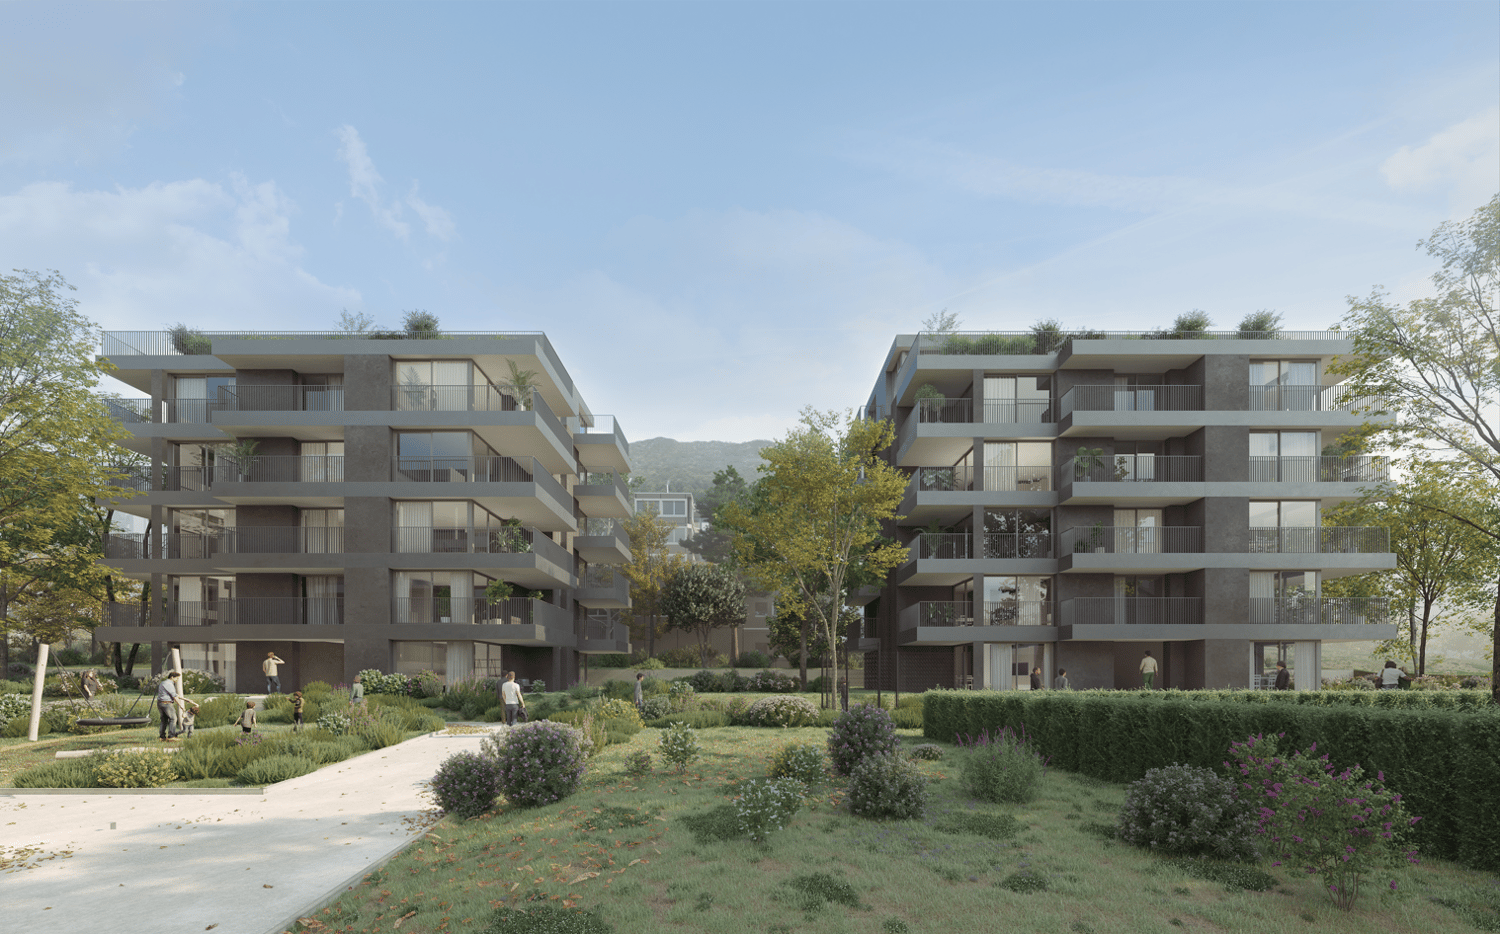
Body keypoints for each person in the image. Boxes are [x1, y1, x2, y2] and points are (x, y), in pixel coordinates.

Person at [156, 670, 184, 741]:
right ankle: (171, 736)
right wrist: (181, 706)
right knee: (173, 719)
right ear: (172, 677)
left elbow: (166, 693)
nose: (177, 680)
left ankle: (162, 737)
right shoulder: (169, 684)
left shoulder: (163, 682)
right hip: (167, 703)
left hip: (160, 703)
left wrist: (176, 695)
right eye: (177, 678)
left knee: (164, 720)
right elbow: (174, 697)